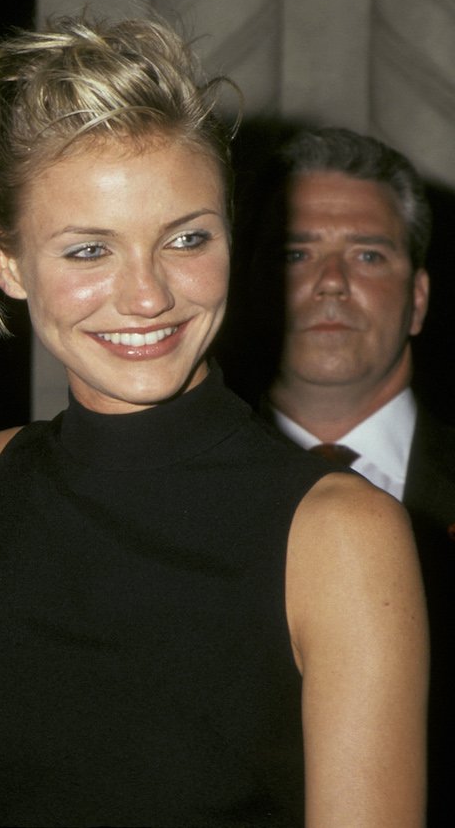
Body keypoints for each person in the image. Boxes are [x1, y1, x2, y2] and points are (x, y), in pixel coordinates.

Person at [0, 14, 427, 826]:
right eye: (90, 249)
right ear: (8, 261)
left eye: (186, 238)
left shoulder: (342, 532)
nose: (148, 296)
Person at [260, 126, 455, 824]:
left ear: (420, 297)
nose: (332, 282)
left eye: (367, 254)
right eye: (296, 253)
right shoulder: (173, 488)